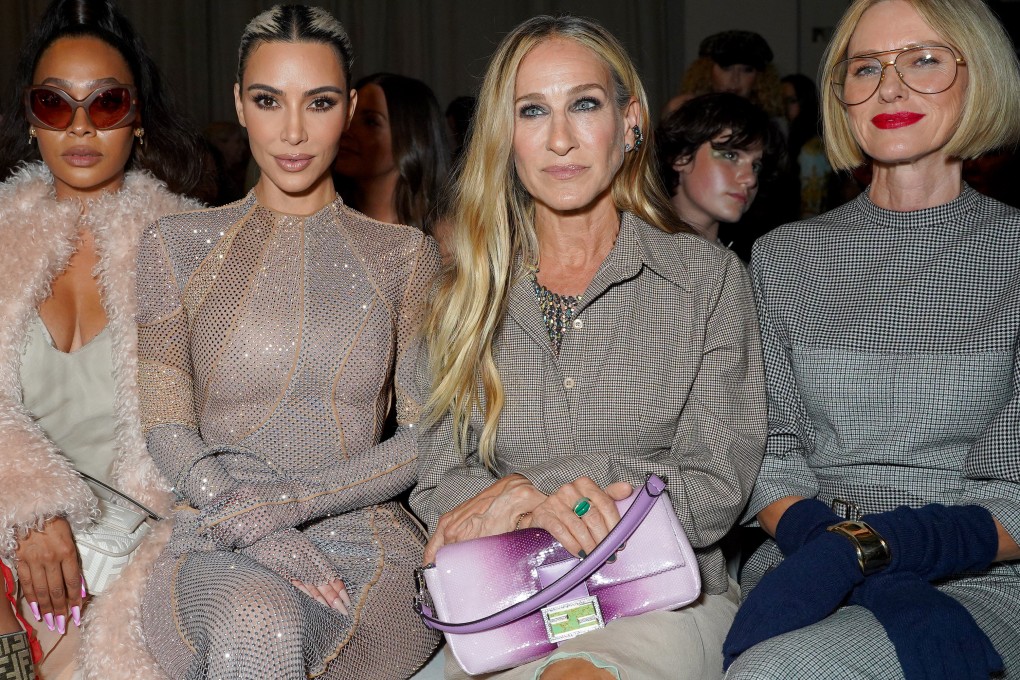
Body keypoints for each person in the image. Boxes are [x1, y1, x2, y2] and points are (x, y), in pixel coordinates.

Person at [410, 15, 766, 680]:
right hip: (510, 599)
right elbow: (436, 477)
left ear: (630, 122)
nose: (562, 138)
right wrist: (516, 504)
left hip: (661, 597)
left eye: (584, 104)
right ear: (505, 136)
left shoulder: (704, 280)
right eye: (532, 111)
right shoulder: (462, 294)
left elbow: (719, 486)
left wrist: (547, 499)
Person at [136, 6, 441, 679]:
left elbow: (424, 437)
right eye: (269, 101)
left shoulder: (404, 257)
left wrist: (295, 503)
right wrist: (260, 523)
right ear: (240, 105)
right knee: (259, 618)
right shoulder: (175, 248)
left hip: (365, 537)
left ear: (352, 109)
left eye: (321, 102)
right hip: (221, 529)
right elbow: (165, 425)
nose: (294, 131)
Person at [724, 0, 1020, 678]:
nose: (890, 86)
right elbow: (770, 448)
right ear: (844, 96)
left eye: (923, 60)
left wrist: (879, 544)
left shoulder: (1014, 255)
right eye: (866, 67)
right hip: (807, 563)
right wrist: (831, 545)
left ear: (980, 76)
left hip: (979, 575)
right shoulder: (784, 257)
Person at [0, 0, 202, 678]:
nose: (81, 125)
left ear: (138, 118)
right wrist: (29, 507)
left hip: (144, 544)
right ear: (31, 120)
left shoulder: (189, 249)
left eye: (107, 102)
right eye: (55, 104)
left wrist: (122, 546)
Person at [656, 92, 780, 245]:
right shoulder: (632, 249)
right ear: (681, 157)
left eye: (755, 166)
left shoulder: (748, 263)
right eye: (730, 156)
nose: (750, 179)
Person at [334, 72, 450, 234]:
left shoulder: (445, 240)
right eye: (348, 116)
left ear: (411, 137)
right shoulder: (325, 224)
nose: (346, 130)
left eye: (370, 122)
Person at [665, 31, 783, 119]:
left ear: (761, 77)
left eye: (747, 70)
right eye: (726, 68)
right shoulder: (685, 109)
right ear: (705, 71)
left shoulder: (765, 119)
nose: (735, 79)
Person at [780, 74, 832, 218]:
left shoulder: (811, 149)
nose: (783, 107)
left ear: (805, 101)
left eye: (791, 101)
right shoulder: (787, 136)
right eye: (781, 101)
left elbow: (811, 208)